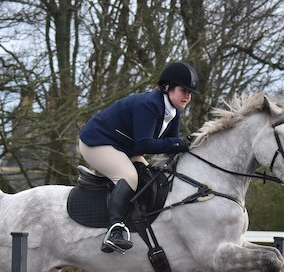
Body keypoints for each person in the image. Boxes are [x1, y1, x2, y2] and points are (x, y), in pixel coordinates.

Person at [79, 61, 199, 253]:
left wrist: (193, 146)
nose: (188, 96)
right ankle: (114, 230)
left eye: (190, 92)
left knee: (149, 178)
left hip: (124, 147)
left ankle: (136, 224)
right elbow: (144, 144)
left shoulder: (174, 110)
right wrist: (179, 144)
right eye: (183, 90)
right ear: (167, 87)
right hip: (96, 142)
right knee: (129, 177)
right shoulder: (150, 104)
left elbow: (172, 144)